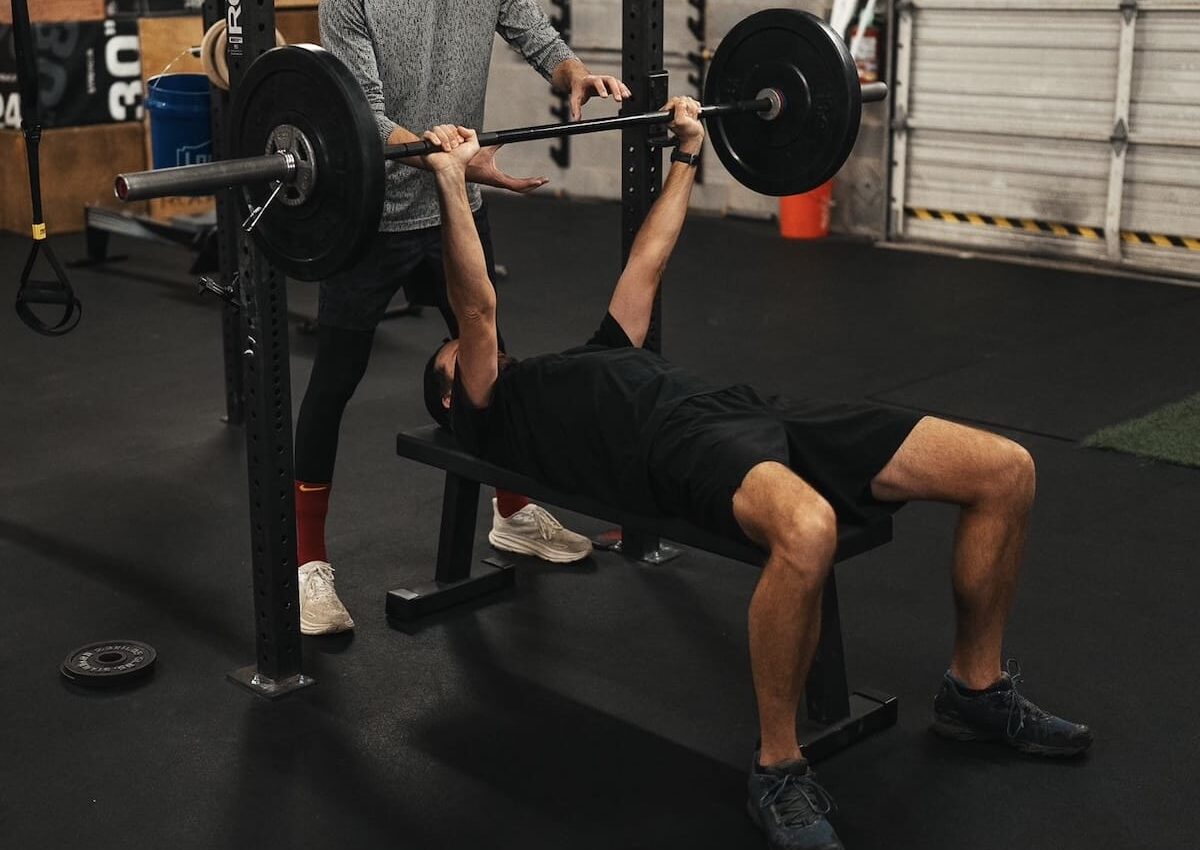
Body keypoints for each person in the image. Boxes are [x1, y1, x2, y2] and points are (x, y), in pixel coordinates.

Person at [417, 101, 1093, 850]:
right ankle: (778, 767)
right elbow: (475, 308)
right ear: (453, 396)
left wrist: (687, 155)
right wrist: (451, 181)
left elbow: (649, 260)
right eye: (456, 360)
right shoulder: (494, 412)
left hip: (750, 410)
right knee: (809, 530)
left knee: (1005, 470)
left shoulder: (591, 355)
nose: (478, 350)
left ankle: (976, 689)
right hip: (674, 450)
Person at [297, 0, 634, 635]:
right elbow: (363, 116)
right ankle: (307, 563)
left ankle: (511, 513)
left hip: (454, 202)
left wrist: (575, 72)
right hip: (371, 212)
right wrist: (439, 155)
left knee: (491, 362)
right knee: (335, 380)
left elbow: (533, 32)